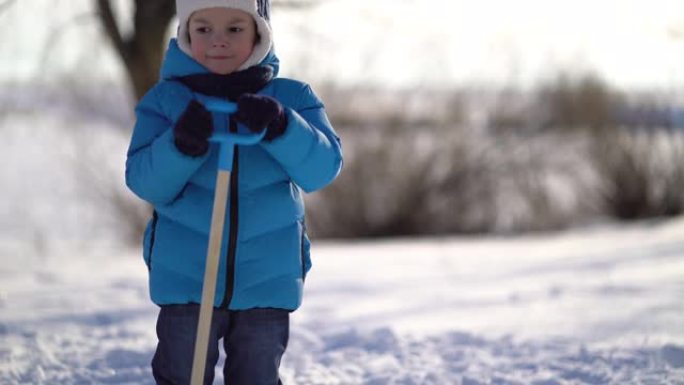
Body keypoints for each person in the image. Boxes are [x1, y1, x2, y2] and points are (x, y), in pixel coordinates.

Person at [125, 0, 343, 383]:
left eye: (235, 29)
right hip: (186, 279)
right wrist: (180, 145)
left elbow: (322, 169)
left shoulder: (292, 98)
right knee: (182, 373)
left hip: (267, 278)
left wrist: (282, 127)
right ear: (185, 33)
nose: (218, 42)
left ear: (260, 32)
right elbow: (144, 181)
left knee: (256, 374)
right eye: (204, 29)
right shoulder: (165, 103)